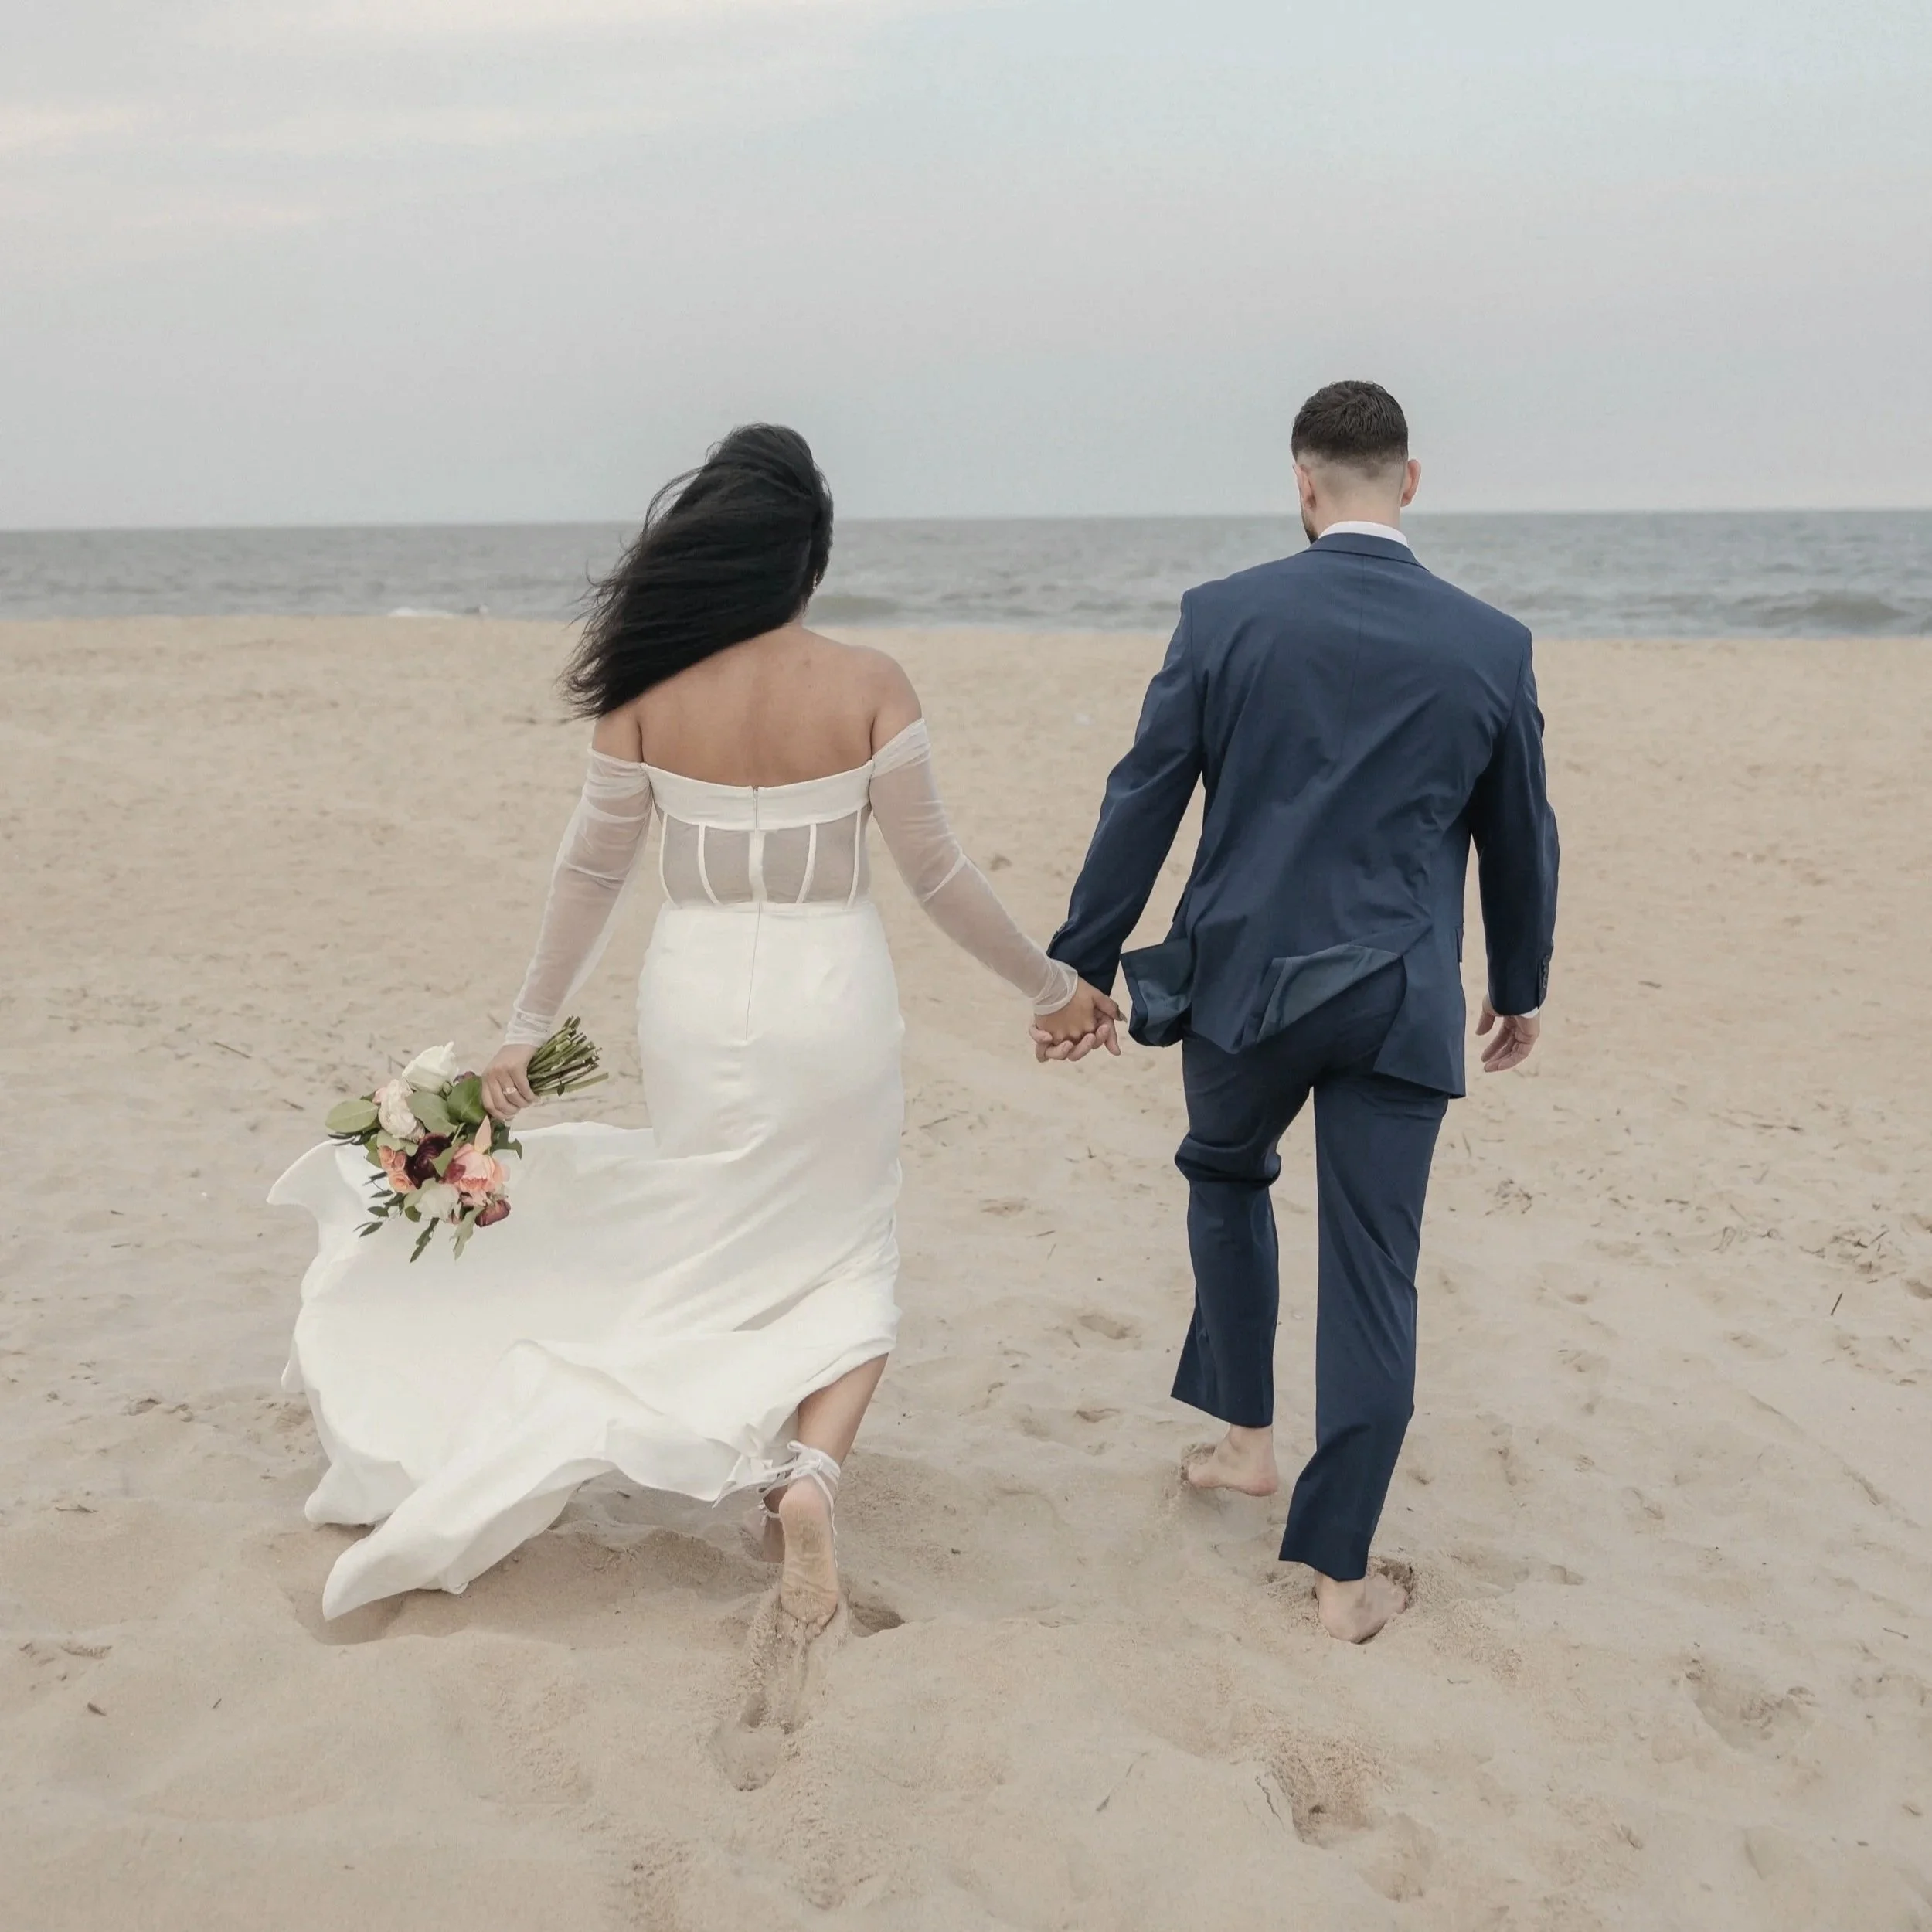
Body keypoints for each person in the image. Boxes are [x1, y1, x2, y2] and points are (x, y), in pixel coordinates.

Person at [270, 425, 1117, 1632]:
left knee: (715, 1207)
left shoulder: (645, 695)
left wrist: (524, 1028)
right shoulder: (872, 683)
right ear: (805, 561)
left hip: (698, 996)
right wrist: (1053, 989)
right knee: (846, 1242)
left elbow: (590, 874)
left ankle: (754, 1449)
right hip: (832, 995)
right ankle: (810, 1474)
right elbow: (937, 876)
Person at [1034, 381, 1559, 1641]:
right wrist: (1519, 985)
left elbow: (1143, 800)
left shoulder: (1225, 618)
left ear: (1303, 485)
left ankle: (1246, 1441)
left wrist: (1080, 967)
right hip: (1398, 1000)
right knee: (1376, 1266)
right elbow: (1522, 838)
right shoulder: (1490, 643)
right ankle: (1340, 1577)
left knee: (1225, 1176)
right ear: (1412, 482)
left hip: (1244, 993)